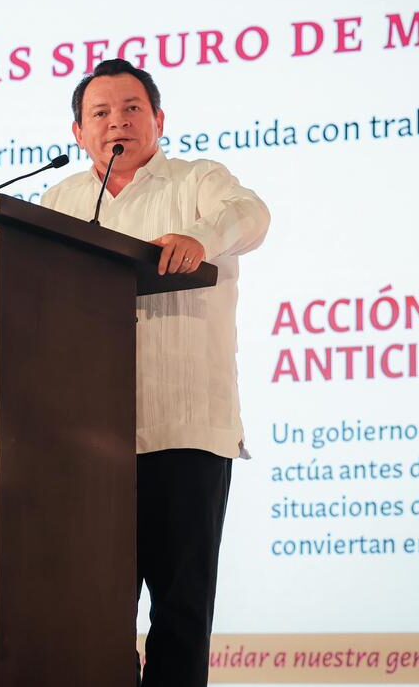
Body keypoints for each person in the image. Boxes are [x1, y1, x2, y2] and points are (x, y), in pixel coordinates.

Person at [41, 58, 269, 687]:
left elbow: (252, 214)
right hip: (90, 443)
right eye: (101, 113)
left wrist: (200, 238)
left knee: (181, 612)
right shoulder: (59, 203)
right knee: (90, 612)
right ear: (78, 132)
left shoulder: (198, 181)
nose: (117, 121)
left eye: (131, 108)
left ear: (159, 120)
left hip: (184, 429)